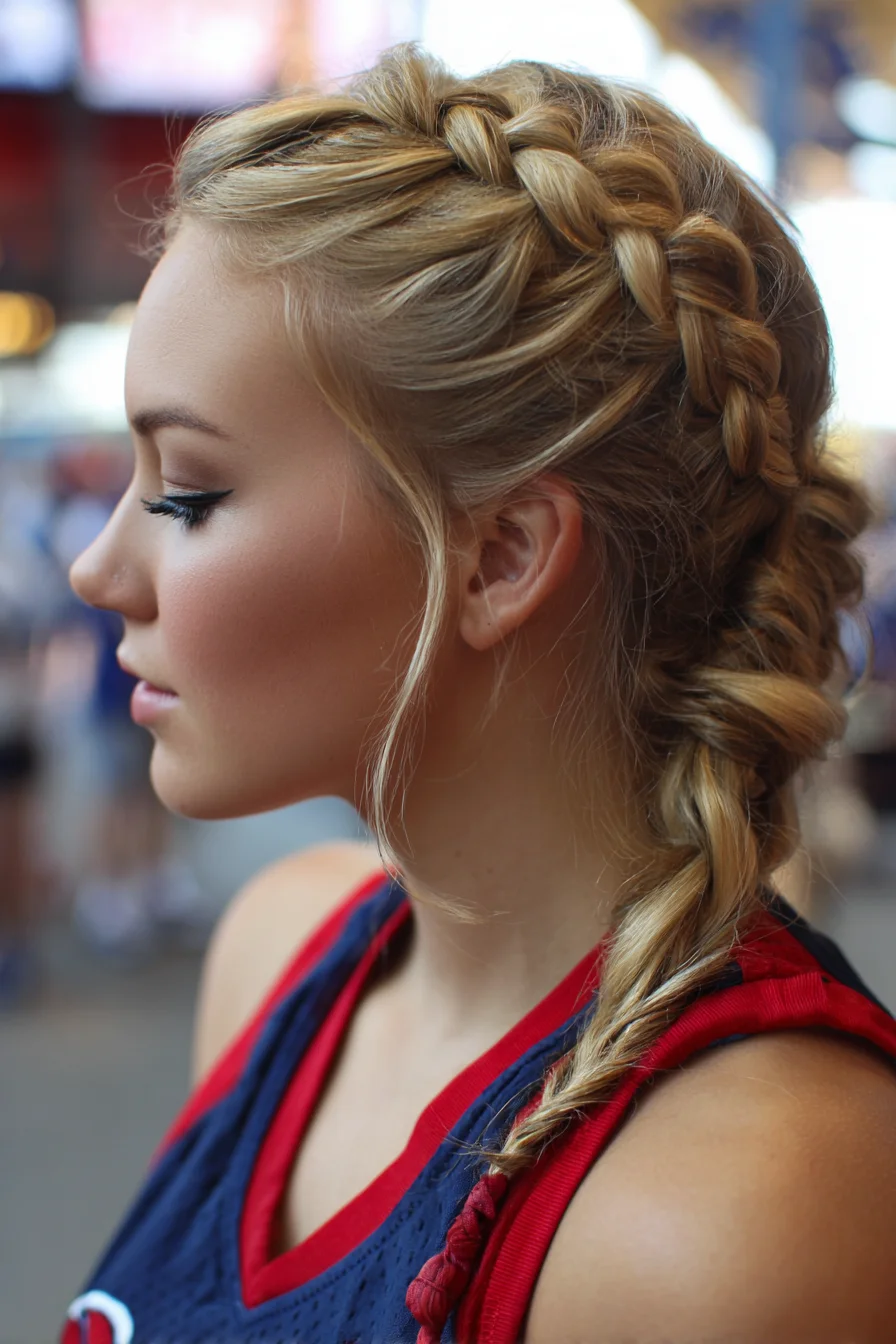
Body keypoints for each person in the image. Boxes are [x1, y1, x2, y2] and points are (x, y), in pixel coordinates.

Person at [62, 44, 896, 1344]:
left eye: (185, 490)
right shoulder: (280, 953)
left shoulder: (737, 1205)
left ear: (501, 555)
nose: (98, 566)